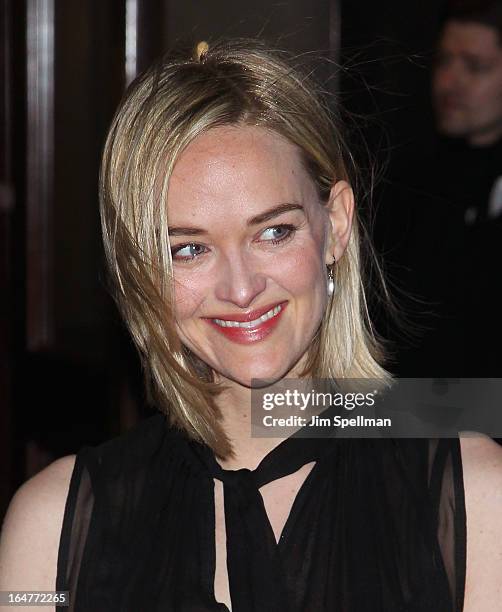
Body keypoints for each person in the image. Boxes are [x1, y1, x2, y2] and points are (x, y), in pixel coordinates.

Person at [1, 38, 502, 612]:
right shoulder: (51, 530)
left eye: (273, 232)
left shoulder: (476, 496)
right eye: (189, 249)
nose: (240, 290)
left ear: (335, 225)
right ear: (139, 268)